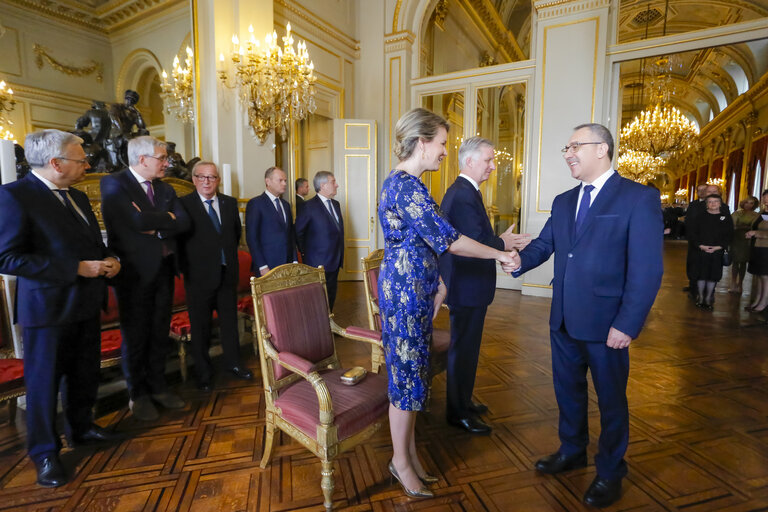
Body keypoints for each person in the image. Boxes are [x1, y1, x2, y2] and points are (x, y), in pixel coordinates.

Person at [504, 123, 663, 508]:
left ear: (602, 150)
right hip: (563, 319)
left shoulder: (637, 198)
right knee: (568, 393)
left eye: (575, 145)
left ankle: (610, 471)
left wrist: (627, 323)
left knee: (611, 401)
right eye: (566, 146)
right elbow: (545, 245)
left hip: (608, 324)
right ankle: (571, 450)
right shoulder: (562, 201)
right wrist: (518, 260)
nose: (568, 153)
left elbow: (647, 269)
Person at [378, 108, 516, 499]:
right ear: (422, 142)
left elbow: (424, 240)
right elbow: (448, 239)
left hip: (416, 290)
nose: (443, 152)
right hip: (404, 295)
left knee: (415, 374)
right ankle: (400, 461)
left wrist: (437, 281)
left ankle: (408, 453)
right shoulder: (405, 186)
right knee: (406, 380)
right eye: (441, 143)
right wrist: (499, 254)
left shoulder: (412, 185)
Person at [0, 129, 122, 487]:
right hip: (47, 310)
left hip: (85, 303)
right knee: (44, 384)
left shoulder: (79, 197)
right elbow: (7, 257)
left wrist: (109, 259)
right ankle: (45, 453)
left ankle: (81, 429)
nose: (87, 164)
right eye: (81, 159)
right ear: (56, 163)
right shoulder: (14, 196)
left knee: (84, 374)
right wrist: (75, 269)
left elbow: (89, 246)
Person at [438, 136, 530, 435]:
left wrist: (501, 241)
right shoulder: (463, 193)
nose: (493, 166)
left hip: (470, 283)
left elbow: (475, 236)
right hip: (466, 285)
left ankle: (463, 402)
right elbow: (470, 242)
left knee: (467, 349)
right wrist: (503, 242)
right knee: (463, 349)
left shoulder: (466, 191)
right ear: (470, 161)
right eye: (489, 160)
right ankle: (457, 412)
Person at [101, 136, 190, 421]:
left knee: (159, 333)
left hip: (164, 271)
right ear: (142, 160)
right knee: (136, 336)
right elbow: (134, 222)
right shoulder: (115, 183)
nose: (167, 163)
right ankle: (137, 394)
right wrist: (167, 219)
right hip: (133, 275)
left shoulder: (165, 188)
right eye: (162, 158)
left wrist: (155, 224)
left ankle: (158, 386)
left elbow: (184, 221)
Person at [178, 161, 253, 392]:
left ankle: (233, 364)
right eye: (202, 177)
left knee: (230, 324)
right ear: (194, 180)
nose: (207, 181)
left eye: (212, 177)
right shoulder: (184, 204)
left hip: (226, 275)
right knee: (201, 328)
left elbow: (235, 235)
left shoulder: (229, 204)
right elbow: (179, 242)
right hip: (198, 278)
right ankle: (203, 372)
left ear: (218, 180)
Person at [295, 171, 344, 310]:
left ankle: (329, 326)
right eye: (333, 182)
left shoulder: (336, 204)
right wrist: (307, 254)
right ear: (323, 185)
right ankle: (319, 327)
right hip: (317, 262)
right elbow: (298, 232)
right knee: (318, 300)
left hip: (335, 259)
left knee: (331, 296)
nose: (337, 185)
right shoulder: (308, 207)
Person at [245, 167, 297, 276]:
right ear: (268, 181)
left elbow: (291, 234)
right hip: (267, 266)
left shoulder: (286, 205)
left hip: (287, 265)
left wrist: (294, 261)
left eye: (285, 181)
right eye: (280, 180)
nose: (284, 184)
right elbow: (252, 238)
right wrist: (262, 266)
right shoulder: (256, 204)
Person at [689, 194, 734, 310]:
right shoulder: (700, 216)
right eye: (710, 201)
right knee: (701, 274)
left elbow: (729, 235)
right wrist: (700, 246)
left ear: (720, 203)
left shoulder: (726, 217)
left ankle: (708, 298)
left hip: (717, 251)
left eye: (715, 201)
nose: (713, 204)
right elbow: (693, 233)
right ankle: (700, 297)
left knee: (712, 275)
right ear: (706, 204)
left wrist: (718, 247)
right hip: (701, 250)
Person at [729, 196, 759, 294]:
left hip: (748, 241)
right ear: (743, 203)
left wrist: (742, 227)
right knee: (735, 262)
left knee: (743, 263)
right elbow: (732, 226)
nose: (749, 205)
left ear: (754, 205)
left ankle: (740, 284)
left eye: (751, 203)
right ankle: (733, 283)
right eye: (747, 202)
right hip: (736, 239)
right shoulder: (737, 213)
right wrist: (744, 227)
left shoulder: (756, 215)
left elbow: (756, 228)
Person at [745, 190, 768, 313]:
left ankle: (764, 302)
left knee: (765, 276)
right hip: (757, 247)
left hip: (766, 248)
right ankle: (758, 300)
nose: (765, 200)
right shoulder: (762, 212)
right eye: (764, 197)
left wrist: (756, 233)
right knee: (759, 275)